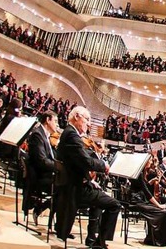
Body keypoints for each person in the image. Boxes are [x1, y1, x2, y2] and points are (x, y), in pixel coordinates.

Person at [55, 106, 120, 249]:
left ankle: (92, 239)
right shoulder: (72, 135)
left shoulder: (68, 133)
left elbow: (76, 163)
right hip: (75, 189)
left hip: (72, 185)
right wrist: (103, 165)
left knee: (100, 200)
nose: (89, 124)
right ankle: (100, 243)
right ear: (77, 116)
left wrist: (90, 180)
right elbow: (87, 162)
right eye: (87, 119)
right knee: (115, 205)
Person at [129, 166, 166, 246]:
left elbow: (145, 188)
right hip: (137, 201)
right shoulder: (139, 173)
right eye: (149, 160)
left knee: (165, 211)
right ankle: (154, 239)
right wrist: (159, 205)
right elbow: (146, 192)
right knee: (162, 211)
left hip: (142, 199)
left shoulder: (144, 173)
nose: (151, 162)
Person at [25, 110, 58, 224]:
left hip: (46, 174)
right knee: (66, 187)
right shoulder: (37, 134)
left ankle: (41, 208)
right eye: (55, 121)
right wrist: (59, 167)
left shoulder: (45, 135)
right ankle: (41, 208)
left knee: (68, 186)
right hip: (39, 177)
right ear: (48, 120)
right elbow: (41, 161)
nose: (57, 125)